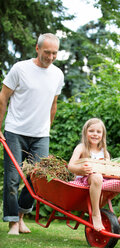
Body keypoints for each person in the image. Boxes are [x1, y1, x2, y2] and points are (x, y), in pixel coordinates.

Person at [0, 33, 64, 235]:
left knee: (38, 179)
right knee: (12, 178)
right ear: (37, 49)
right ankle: (12, 223)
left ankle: (20, 217)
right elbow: (3, 97)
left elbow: (53, 104)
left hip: (40, 135)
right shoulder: (20, 68)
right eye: (47, 52)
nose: (51, 57)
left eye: (54, 53)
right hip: (15, 131)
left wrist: (47, 128)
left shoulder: (57, 74)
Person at [68, 118, 120, 233]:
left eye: (98, 132)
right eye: (91, 131)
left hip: (101, 183)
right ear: (85, 132)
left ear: (102, 135)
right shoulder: (82, 147)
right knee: (97, 176)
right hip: (85, 181)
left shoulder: (104, 152)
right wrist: (80, 169)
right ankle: (96, 213)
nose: (95, 134)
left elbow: (109, 173)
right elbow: (70, 166)